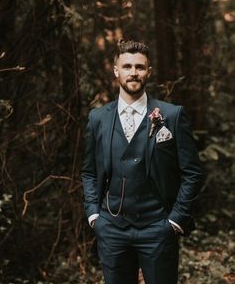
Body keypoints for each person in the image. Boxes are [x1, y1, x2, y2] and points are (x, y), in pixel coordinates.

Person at [82, 39, 204, 284]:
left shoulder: (171, 115)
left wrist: (175, 220)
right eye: (127, 66)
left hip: (157, 228)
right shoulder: (97, 118)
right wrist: (94, 214)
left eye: (140, 66)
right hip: (111, 229)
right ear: (116, 71)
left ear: (149, 71)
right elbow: (89, 172)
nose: (133, 72)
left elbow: (192, 172)